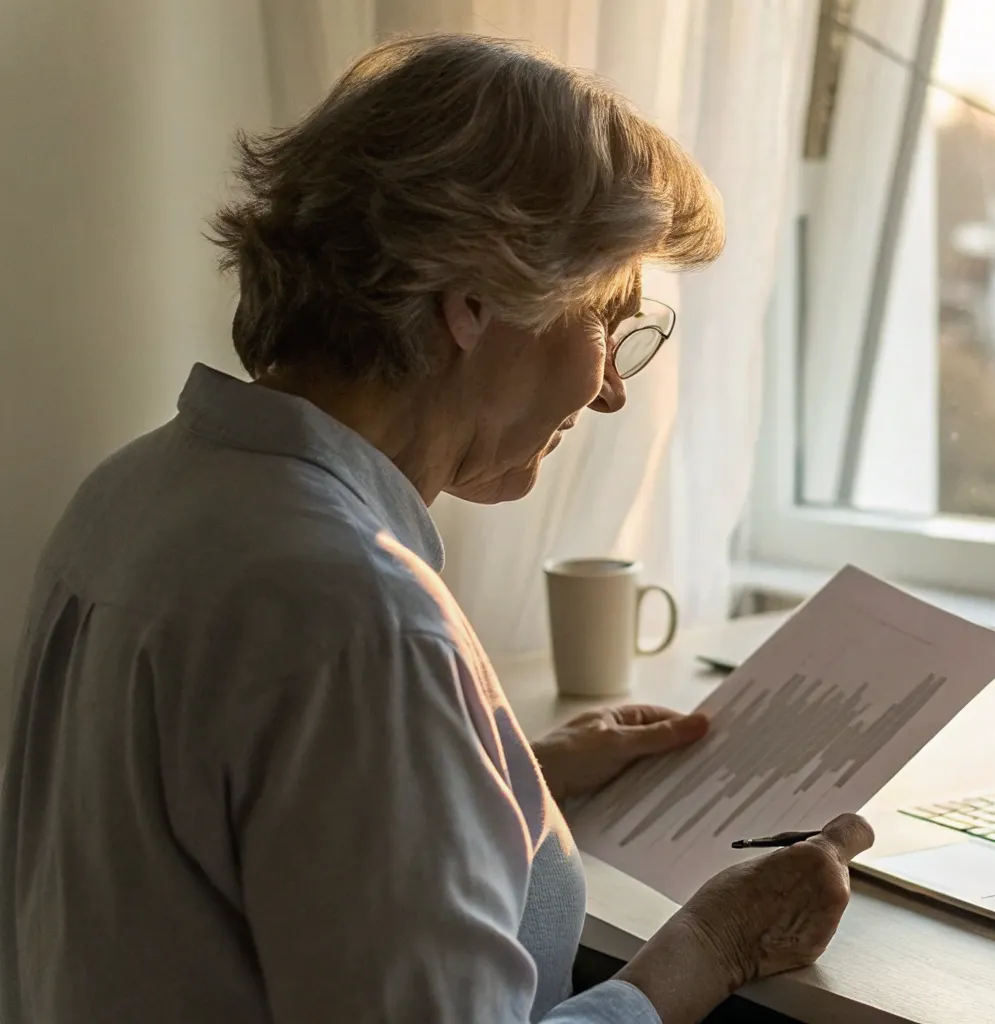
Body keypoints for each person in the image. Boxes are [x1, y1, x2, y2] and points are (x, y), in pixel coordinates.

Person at [0, 33, 871, 1024]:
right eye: (607, 316)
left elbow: (217, 857)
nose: (613, 390)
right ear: (473, 300)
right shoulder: (357, 618)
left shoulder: (137, 492)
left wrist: (502, 776)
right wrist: (706, 949)